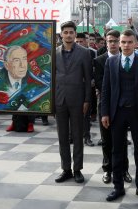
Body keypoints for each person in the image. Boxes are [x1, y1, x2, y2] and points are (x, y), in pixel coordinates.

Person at [100, 30, 138, 202]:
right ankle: (118, 187)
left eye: (130, 42)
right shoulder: (111, 61)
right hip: (118, 112)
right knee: (117, 150)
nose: (126, 45)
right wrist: (105, 113)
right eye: (123, 42)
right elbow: (106, 90)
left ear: (136, 43)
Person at [53, 21, 93, 184]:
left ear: (75, 34)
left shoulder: (84, 53)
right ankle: (66, 169)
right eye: (66, 32)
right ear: (61, 34)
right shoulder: (54, 53)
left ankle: (77, 169)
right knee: (62, 137)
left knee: (77, 136)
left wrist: (87, 100)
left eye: (71, 32)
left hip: (78, 100)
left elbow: (88, 78)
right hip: (59, 99)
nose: (68, 35)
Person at [94, 30, 132, 184]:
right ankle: (107, 170)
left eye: (116, 41)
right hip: (105, 105)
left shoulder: (126, 59)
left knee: (122, 140)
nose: (113, 44)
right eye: (110, 41)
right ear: (106, 42)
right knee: (106, 140)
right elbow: (99, 83)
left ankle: (124, 170)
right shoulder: (99, 60)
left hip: (122, 106)